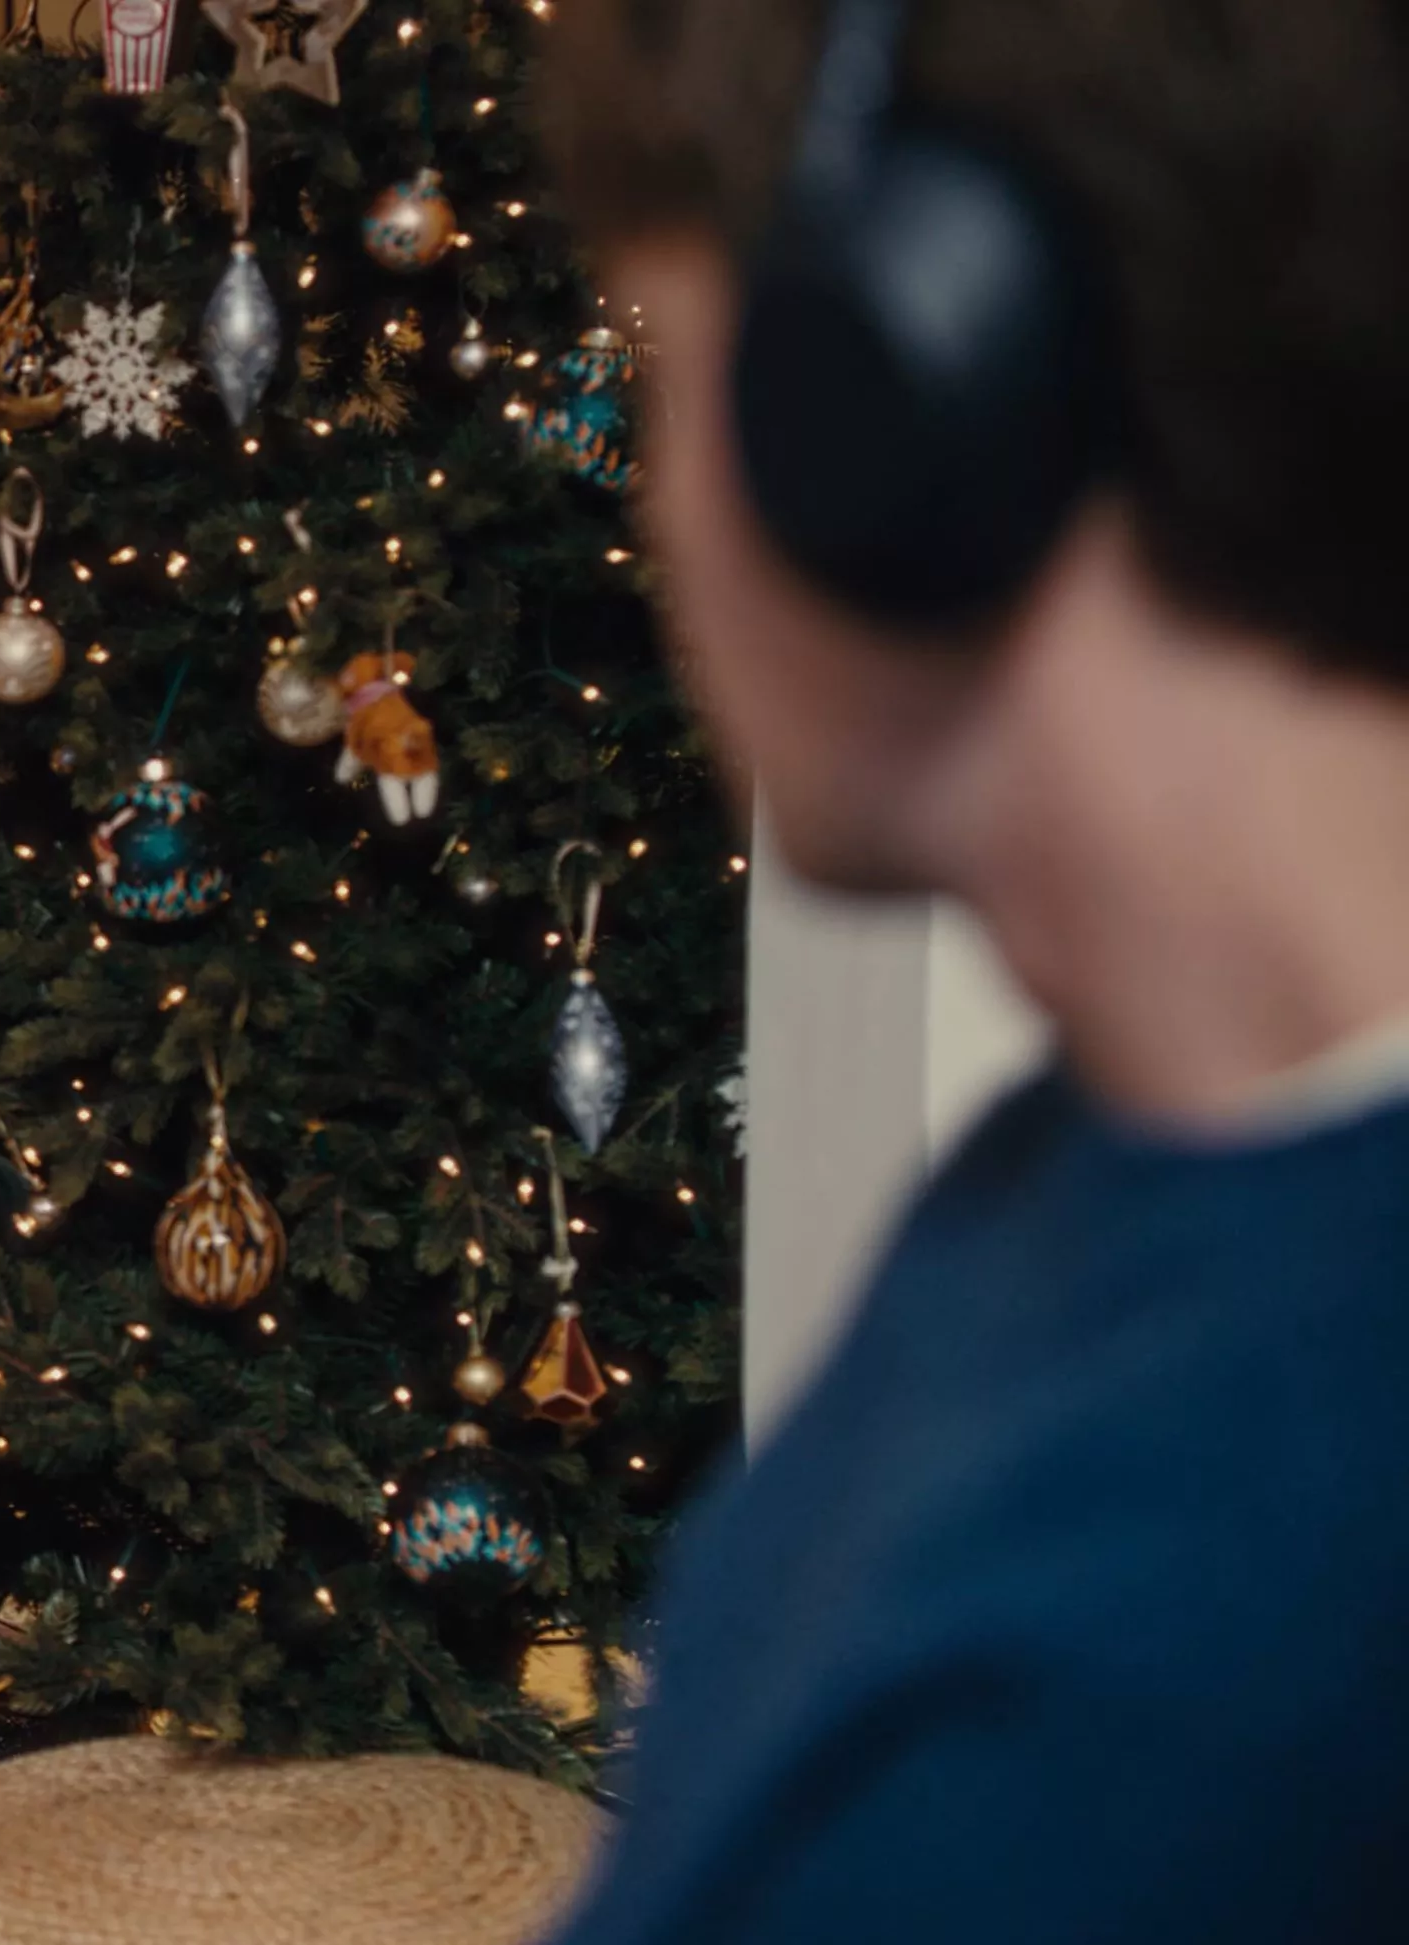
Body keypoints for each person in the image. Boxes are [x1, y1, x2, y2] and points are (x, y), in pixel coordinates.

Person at [543, 0, 1409, 1936]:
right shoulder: (1094, 1165)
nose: (655, 503)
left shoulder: (1175, 1677)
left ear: (890, 388)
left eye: (663, 376)